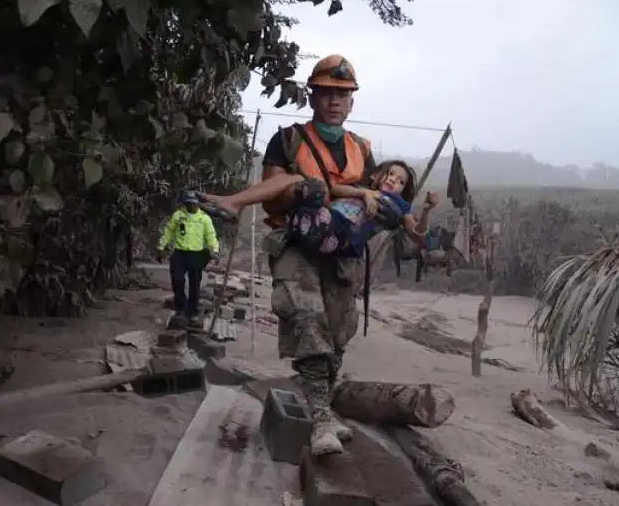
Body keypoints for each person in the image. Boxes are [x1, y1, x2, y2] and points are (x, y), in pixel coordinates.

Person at [252, 54, 439, 456]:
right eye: (326, 93)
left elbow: (376, 201)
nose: (335, 101)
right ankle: (320, 418)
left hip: (342, 252)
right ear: (312, 97)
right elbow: (271, 198)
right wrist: (302, 191)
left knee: (339, 331)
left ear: (352, 103)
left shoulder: (361, 149)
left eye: (343, 95)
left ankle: (327, 405)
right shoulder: (287, 139)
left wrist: (391, 212)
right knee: (306, 317)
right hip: (295, 242)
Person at [198, 159, 438, 259]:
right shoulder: (364, 190)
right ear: (376, 175)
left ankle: (288, 228)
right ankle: (234, 202)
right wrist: (364, 193)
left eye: (401, 181)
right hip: (326, 218)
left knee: (312, 204)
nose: (394, 180)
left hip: (340, 238)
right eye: (391, 174)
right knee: (299, 183)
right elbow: (336, 190)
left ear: (404, 190)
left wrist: (426, 210)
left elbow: (417, 233)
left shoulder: (399, 205)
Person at [157, 191, 220, 327]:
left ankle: (192, 311)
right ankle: (180, 308)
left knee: (194, 285)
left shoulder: (204, 219)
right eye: (187, 203)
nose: (189, 206)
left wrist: (214, 251)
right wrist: (161, 246)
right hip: (179, 254)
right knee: (177, 280)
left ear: (197, 204)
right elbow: (168, 231)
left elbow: (211, 236)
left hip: (197, 255)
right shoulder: (178, 215)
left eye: (192, 203)